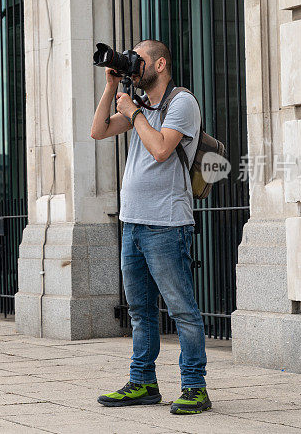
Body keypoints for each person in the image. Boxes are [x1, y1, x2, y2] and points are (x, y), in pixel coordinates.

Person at [90, 39, 210, 414]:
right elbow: (98, 131)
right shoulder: (139, 105)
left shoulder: (181, 103)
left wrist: (134, 112)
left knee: (182, 310)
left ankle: (195, 387)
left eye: (138, 59)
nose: (133, 64)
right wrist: (112, 88)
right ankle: (143, 383)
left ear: (159, 65)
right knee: (141, 311)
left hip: (166, 225)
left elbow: (160, 149)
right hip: (133, 224)